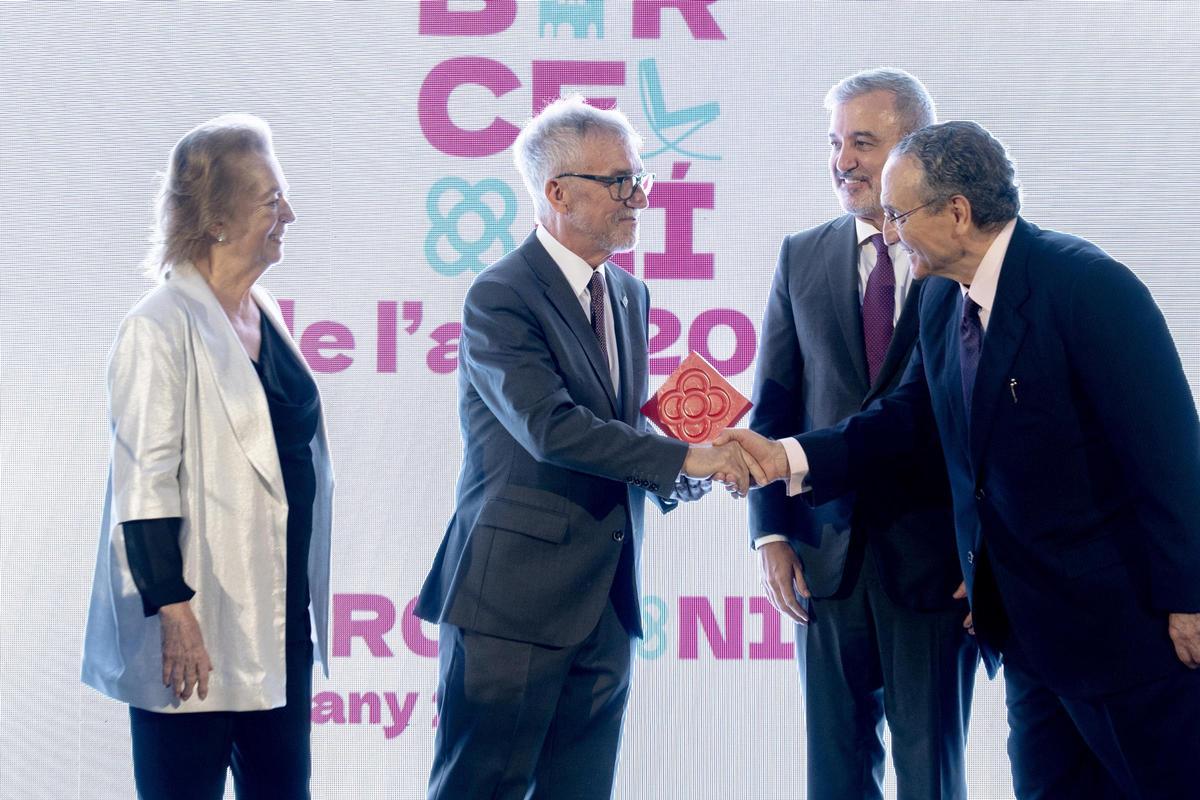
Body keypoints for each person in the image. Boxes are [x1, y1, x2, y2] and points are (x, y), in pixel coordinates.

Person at [722, 120, 1200, 799]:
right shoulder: (945, 298)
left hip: (1127, 632)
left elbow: (1170, 454)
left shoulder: (1087, 287)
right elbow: (907, 420)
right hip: (1030, 636)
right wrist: (784, 458)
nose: (887, 232)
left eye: (899, 215)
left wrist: (1190, 599)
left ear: (957, 212)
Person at [415, 95, 758, 800]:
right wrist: (684, 459)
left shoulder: (628, 292)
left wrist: (689, 461)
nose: (638, 198)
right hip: (511, 603)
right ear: (557, 192)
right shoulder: (500, 295)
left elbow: (618, 425)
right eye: (620, 182)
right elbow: (550, 426)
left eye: (640, 179)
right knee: (483, 787)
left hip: (605, 598)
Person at [82, 114, 333, 800]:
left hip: (278, 621)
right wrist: (175, 613)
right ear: (217, 218)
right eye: (271, 201)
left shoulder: (265, 309)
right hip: (194, 628)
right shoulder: (157, 327)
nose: (290, 214)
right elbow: (145, 483)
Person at [749, 68, 976, 800]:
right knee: (834, 772)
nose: (843, 160)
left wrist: (986, 549)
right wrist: (771, 535)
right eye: (835, 142)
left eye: (864, 142)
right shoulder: (800, 255)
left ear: (915, 149)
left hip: (936, 561)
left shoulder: (959, 256)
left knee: (929, 773)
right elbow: (775, 403)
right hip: (825, 556)